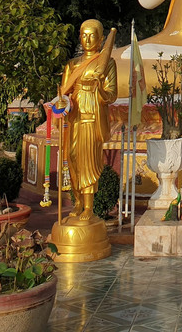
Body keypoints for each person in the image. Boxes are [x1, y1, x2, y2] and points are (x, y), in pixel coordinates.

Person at [59, 18, 117, 222]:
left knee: (89, 163)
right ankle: (76, 202)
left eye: (92, 35)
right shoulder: (72, 64)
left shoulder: (107, 62)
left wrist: (98, 86)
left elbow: (111, 95)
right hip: (74, 118)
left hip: (92, 120)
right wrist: (61, 105)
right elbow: (63, 93)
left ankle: (89, 207)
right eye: (84, 35)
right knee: (73, 160)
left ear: (101, 39)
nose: (87, 39)